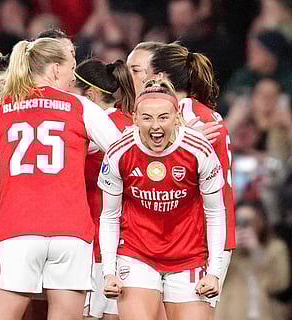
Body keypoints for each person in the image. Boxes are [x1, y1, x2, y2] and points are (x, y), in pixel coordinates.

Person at [0, 37, 122, 320]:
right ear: (54, 70)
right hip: (73, 232)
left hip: (18, 231)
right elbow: (123, 153)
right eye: (70, 70)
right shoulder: (80, 107)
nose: (71, 79)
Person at [99, 79, 226, 320]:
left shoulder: (199, 149)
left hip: (189, 256)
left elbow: (216, 212)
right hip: (137, 254)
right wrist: (109, 271)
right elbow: (109, 216)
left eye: (163, 118)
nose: (155, 126)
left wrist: (214, 272)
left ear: (177, 117)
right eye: (147, 118)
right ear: (135, 118)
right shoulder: (119, 151)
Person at [143, 42, 236, 308]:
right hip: (211, 236)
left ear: (159, 77)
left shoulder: (178, 118)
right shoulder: (209, 114)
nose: (143, 82)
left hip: (195, 239)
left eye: (145, 73)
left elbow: (169, 177)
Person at [71, 57, 135, 320]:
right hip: (131, 241)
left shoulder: (88, 128)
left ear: (91, 94)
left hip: (96, 241)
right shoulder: (133, 122)